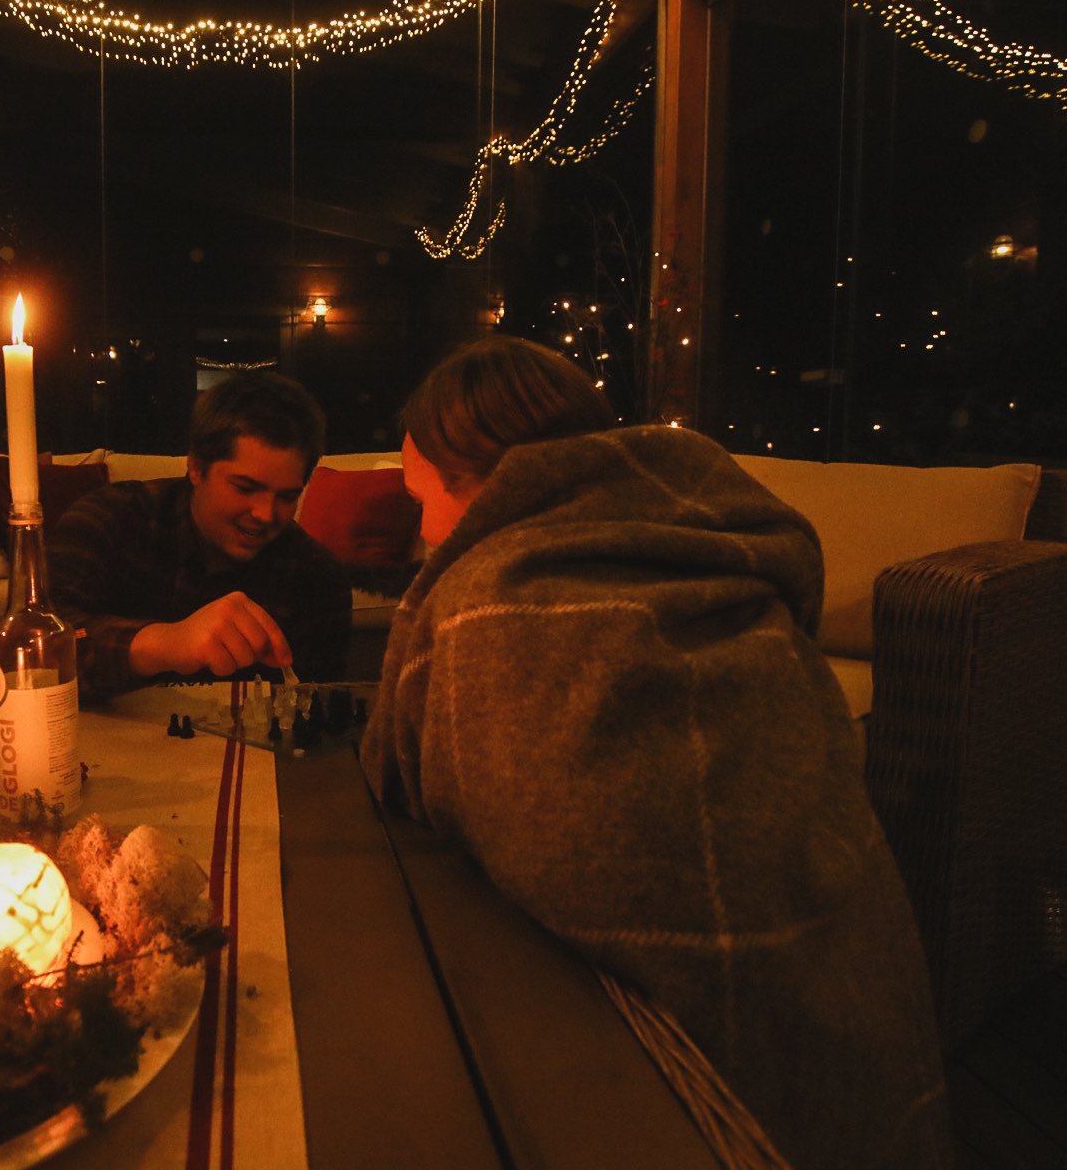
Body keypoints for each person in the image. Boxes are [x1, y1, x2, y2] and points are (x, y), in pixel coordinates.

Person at [361, 336, 950, 1170]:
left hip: (672, 1090)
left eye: (423, 498)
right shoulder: (714, 544)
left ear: (491, 485)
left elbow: (445, 794)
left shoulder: (490, 601)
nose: (422, 533)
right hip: (850, 1000)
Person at [49, 370, 352, 701]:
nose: (266, 514)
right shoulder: (108, 521)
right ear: (195, 468)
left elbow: (315, 709)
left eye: (286, 497)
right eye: (245, 488)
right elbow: (41, 649)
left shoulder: (317, 577)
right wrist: (164, 643)